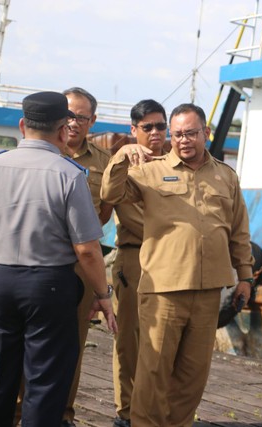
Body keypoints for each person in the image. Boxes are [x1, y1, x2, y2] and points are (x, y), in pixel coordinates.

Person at [0, 91, 117, 427]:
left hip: (2, 279)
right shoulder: (69, 174)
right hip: (51, 286)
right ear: (63, 130)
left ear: (21, 126)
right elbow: (86, 249)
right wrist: (103, 295)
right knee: (45, 381)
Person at [101, 103, 254, 427]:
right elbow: (110, 192)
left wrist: (245, 277)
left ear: (206, 134)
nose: (184, 140)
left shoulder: (226, 176)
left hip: (209, 289)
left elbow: (238, 230)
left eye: (191, 133)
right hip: (164, 289)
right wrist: (121, 156)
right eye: (178, 134)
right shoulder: (149, 170)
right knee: (153, 371)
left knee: (192, 375)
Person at [109, 99, 169, 427]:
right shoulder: (125, 167)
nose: (155, 132)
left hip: (173, 262)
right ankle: (127, 410)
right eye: (147, 127)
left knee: (165, 338)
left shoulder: (177, 164)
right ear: (134, 131)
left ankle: (157, 408)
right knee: (129, 339)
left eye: (161, 126)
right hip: (136, 258)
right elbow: (130, 215)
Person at [60, 87, 114, 427]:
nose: (73, 122)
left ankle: (62, 413)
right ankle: (22, 412)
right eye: (68, 114)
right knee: (30, 340)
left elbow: (105, 212)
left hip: (81, 266)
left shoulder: (103, 162)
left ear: (92, 121)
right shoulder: (44, 151)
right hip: (39, 260)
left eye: (81, 116)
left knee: (73, 342)